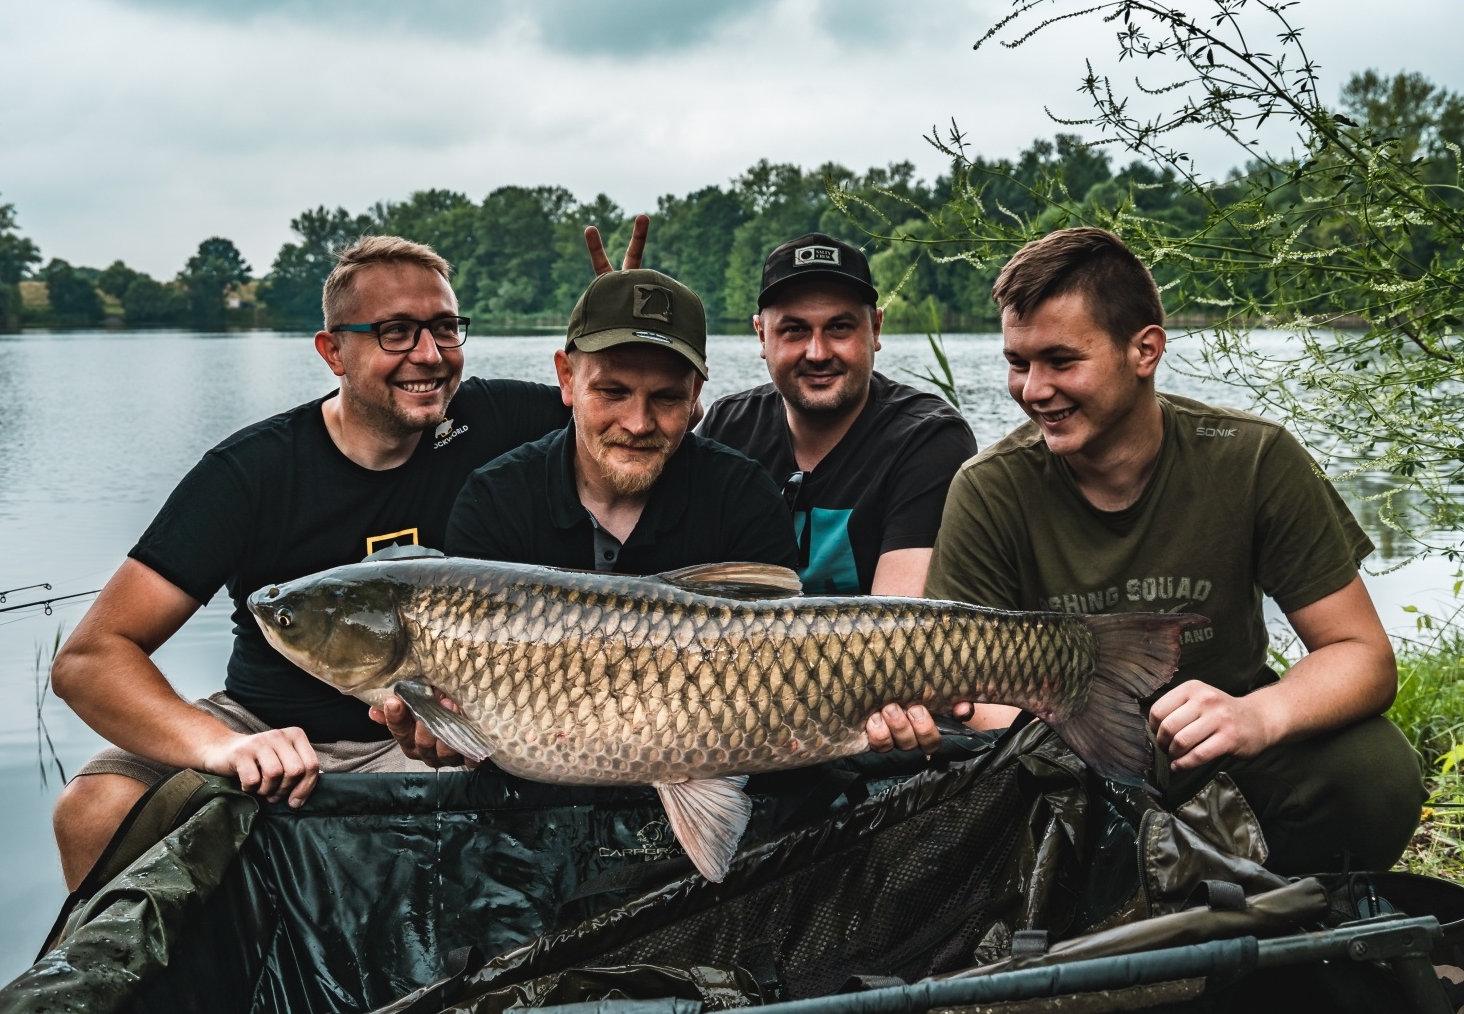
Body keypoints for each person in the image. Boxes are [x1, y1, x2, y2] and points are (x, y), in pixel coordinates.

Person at [49, 227, 646, 890]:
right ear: (333, 351)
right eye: (396, 332)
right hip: (263, 724)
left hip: (428, 734)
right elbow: (88, 660)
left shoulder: (497, 418)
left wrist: (621, 335)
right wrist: (226, 746)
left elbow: (639, 425)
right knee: (94, 810)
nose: (429, 355)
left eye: (445, 329)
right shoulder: (252, 472)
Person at [924, 226, 1424, 872]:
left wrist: (1257, 716)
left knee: (1377, 770)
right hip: (1058, 765)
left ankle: (1277, 912)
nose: (1033, 389)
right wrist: (1067, 747)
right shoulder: (989, 488)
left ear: (1145, 350)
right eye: (1018, 363)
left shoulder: (1254, 459)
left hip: (1217, 750)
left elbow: (1361, 655)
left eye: (1061, 361)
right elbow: (966, 695)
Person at [698, 232, 978, 753]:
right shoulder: (727, 427)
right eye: (794, 330)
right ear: (761, 336)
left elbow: (893, 648)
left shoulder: (928, 438)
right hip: (742, 702)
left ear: (876, 330)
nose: (818, 352)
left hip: (863, 716)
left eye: (840, 328)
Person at [446, 268, 798, 575]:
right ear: (567, 378)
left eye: (666, 397)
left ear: (694, 394)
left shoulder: (745, 501)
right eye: (613, 392)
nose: (638, 424)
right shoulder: (494, 503)